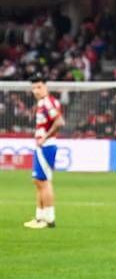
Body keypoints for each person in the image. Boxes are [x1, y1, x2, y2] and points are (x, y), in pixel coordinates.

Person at [24, 75, 64, 229]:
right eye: (34, 88)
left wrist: (45, 137)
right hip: (42, 145)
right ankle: (40, 217)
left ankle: (49, 219)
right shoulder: (42, 103)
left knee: (44, 182)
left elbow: (60, 121)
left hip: (47, 145)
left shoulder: (48, 102)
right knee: (38, 181)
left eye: (39, 87)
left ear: (46, 87)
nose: (36, 90)